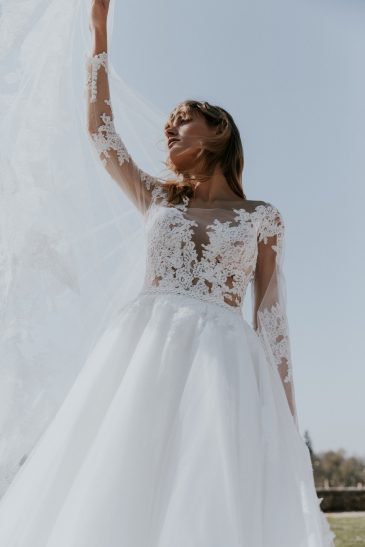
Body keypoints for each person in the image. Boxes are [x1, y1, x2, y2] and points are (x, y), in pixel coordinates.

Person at [0, 0, 335, 545]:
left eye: (183, 122)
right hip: (143, 353)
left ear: (218, 129)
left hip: (225, 366)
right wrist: (99, 30)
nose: (171, 131)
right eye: (169, 125)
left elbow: (272, 321)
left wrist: (286, 429)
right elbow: (101, 133)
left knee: (204, 494)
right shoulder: (158, 199)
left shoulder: (262, 218)